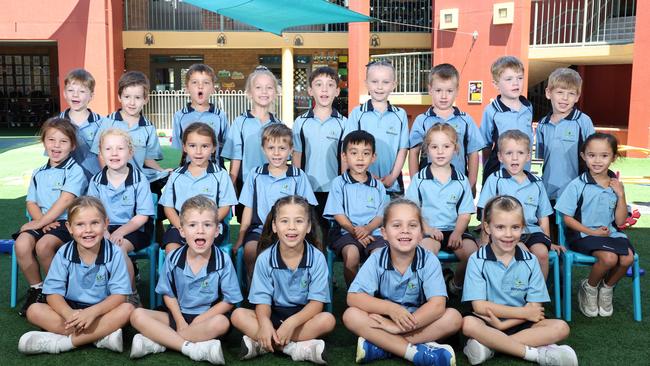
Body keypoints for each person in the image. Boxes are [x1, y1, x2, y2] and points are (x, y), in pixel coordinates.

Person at [343, 198, 460, 366]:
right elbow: (353, 297)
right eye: (396, 225)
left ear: (421, 233)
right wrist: (391, 309)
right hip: (384, 320)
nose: (405, 231)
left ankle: (383, 345)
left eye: (412, 226)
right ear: (384, 233)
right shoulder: (377, 258)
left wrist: (399, 328)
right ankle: (415, 353)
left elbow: (437, 305)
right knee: (351, 315)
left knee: (453, 318)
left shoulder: (429, 260)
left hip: (418, 321)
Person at [461, 195, 577, 366]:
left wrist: (505, 326)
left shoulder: (530, 261)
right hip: (487, 321)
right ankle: (535, 354)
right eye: (500, 227)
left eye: (515, 227)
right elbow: (480, 307)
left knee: (561, 327)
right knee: (468, 324)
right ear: (487, 227)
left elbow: (535, 309)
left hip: (521, 324)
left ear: (523, 228)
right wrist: (523, 313)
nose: (508, 234)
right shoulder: (477, 260)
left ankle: (491, 346)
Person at [129, 196, 242, 364]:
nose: (200, 230)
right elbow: (168, 293)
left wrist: (199, 320)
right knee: (136, 314)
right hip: (177, 316)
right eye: (192, 225)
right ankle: (190, 347)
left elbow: (229, 300)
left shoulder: (223, 260)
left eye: (207, 225)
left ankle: (159, 342)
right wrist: (180, 321)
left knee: (222, 323)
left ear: (217, 230)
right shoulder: (173, 258)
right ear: (182, 231)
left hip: (208, 319)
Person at [18, 196, 134, 355]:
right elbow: (52, 293)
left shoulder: (115, 253)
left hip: (102, 311)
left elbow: (120, 296)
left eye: (95, 223)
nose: (88, 230)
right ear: (69, 227)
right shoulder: (63, 253)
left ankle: (64, 343)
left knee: (127, 310)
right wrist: (69, 314)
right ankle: (99, 337)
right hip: (70, 311)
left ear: (106, 224)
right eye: (80, 224)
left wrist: (92, 312)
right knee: (34, 311)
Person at [231, 195, 335, 364]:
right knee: (238, 315)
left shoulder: (317, 258)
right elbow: (262, 301)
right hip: (272, 314)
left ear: (308, 226)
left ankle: (263, 344)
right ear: (274, 226)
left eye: (299, 221)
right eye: (284, 221)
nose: (291, 227)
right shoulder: (265, 259)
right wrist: (264, 324)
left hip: (302, 318)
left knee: (327, 321)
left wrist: (291, 323)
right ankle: (295, 348)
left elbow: (316, 304)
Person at [13, 117, 88, 316]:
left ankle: (58, 291)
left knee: (44, 245)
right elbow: (31, 202)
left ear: (72, 146)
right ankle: (38, 289)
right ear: (44, 142)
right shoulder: (38, 173)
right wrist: (39, 222)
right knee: (21, 244)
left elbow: (65, 202)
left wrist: (42, 223)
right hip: (43, 221)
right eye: (51, 140)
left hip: (66, 223)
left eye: (63, 141)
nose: (56, 146)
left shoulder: (75, 171)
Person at [555, 133, 634, 317]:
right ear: (583, 156)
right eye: (592, 155)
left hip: (610, 234)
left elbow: (621, 222)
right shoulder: (577, 185)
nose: (597, 161)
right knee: (609, 259)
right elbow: (567, 219)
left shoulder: (616, 185)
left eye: (604, 156)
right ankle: (589, 288)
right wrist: (592, 232)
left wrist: (621, 195)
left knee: (628, 259)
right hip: (583, 234)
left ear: (614, 157)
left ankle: (606, 288)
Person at [234, 124, 317, 281]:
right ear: (263, 149)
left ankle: (287, 289)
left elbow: (307, 210)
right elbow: (248, 208)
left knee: (292, 253)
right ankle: (255, 287)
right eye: (271, 148)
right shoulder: (255, 175)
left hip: (290, 229)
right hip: (259, 229)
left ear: (291, 149)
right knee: (250, 251)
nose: (277, 153)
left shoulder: (298, 176)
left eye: (282, 148)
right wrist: (241, 237)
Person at [405, 124, 477, 296]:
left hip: (454, 230)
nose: (440, 151)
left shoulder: (461, 181)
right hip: (427, 231)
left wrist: (458, 232)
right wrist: (428, 229)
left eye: (446, 146)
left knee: (473, 255)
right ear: (426, 150)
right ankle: (432, 293)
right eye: (434, 147)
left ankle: (455, 284)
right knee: (426, 254)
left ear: (455, 149)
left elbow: (464, 213)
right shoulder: (419, 179)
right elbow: (413, 210)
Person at [478, 130, 558, 279]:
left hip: (532, 231)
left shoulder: (536, 183)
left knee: (541, 254)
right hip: (504, 233)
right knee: (522, 252)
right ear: (500, 157)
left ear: (528, 157)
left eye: (520, 153)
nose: (515, 158)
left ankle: (536, 295)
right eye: (509, 153)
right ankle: (516, 292)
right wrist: (484, 238)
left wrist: (547, 241)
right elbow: (485, 211)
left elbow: (543, 217)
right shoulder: (495, 180)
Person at [87, 128, 155, 302]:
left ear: (130, 152)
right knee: (88, 245)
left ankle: (131, 294)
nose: (114, 153)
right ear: (101, 153)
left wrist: (119, 233)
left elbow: (142, 216)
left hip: (135, 228)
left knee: (117, 249)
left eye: (120, 148)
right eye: (108, 149)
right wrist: (105, 232)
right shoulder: (96, 181)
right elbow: (93, 213)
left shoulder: (139, 180)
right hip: (104, 227)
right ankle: (95, 295)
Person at [323, 130, 389, 287]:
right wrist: (356, 232)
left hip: (373, 233)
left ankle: (374, 295)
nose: (360, 158)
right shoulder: (339, 183)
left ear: (373, 157)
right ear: (344, 156)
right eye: (354, 153)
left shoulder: (378, 186)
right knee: (352, 255)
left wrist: (367, 229)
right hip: (346, 233)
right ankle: (354, 295)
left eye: (366, 153)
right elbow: (338, 214)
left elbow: (381, 216)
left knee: (379, 256)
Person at [160, 123, 237, 253]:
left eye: (205, 146)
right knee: (172, 249)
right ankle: (178, 273)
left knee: (201, 248)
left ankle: (207, 273)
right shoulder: (176, 176)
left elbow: (225, 206)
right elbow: (168, 207)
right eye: (192, 146)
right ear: (184, 147)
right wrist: (182, 227)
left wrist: (207, 224)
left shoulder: (221, 175)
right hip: (181, 226)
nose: (198, 151)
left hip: (210, 227)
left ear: (213, 148)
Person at [408, 63, 485, 193]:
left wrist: (471, 184)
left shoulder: (466, 120)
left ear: (457, 91)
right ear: (430, 90)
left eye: (449, 91)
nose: (444, 96)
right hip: (428, 186)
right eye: (438, 91)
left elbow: (473, 154)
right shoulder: (422, 120)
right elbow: (414, 153)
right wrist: (415, 183)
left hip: (458, 185)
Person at [292, 66, 346, 243]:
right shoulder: (300, 123)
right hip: (308, 189)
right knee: (310, 235)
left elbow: (346, 159)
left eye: (330, 85)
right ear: (310, 91)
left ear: (337, 91)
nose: (324, 89)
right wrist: (297, 186)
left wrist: (344, 186)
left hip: (334, 189)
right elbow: (297, 157)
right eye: (319, 84)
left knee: (330, 237)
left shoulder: (344, 123)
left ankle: (327, 269)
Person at [221, 66, 283, 221]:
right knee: (248, 227)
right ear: (249, 93)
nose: (264, 92)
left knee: (273, 224)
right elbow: (236, 156)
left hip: (273, 185)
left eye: (269, 88)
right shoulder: (240, 122)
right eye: (258, 87)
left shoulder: (279, 125)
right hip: (247, 186)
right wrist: (232, 183)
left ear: (275, 92)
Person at [91, 71, 170, 187]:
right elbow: (100, 154)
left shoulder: (148, 127)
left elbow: (148, 160)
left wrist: (162, 171)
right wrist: (108, 179)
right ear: (119, 97)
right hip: (113, 181)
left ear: (145, 99)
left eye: (137, 97)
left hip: (137, 184)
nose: (132, 103)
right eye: (127, 97)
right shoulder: (108, 122)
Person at [344, 60, 408, 195]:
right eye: (374, 81)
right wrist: (365, 175)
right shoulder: (357, 113)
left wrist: (392, 177)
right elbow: (348, 149)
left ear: (393, 85)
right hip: (362, 184)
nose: (380, 87)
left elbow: (402, 150)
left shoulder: (400, 115)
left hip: (392, 186)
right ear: (366, 83)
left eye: (385, 82)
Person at [536, 67, 595, 202]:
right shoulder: (542, 125)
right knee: (549, 223)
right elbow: (540, 159)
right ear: (548, 93)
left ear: (577, 97)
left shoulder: (583, 121)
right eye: (560, 92)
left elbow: (594, 155)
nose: (565, 98)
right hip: (548, 191)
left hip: (577, 192)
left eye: (571, 93)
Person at [480, 56, 534, 184]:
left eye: (519, 78)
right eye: (509, 79)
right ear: (496, 84)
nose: (516, 83)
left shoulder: (528, 107)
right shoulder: (492, 111)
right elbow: (486, 146)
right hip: (499, 173)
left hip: (523, 173)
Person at [171, 63, 229, 167]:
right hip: (188, 174)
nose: (200, 86)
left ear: (212, 89)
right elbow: (177, 149)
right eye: (195, 82)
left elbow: (227, 147)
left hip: (215, 173)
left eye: (206, 82)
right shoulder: (179, 116)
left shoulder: (220, 116)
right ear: (187, 88)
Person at [58, 68, 102, 179]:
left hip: (94, 181)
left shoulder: (101, 123)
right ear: (64, 94)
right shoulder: (56, 123)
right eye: (71, 90)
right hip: (66, 182)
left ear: (91, 96)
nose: (75, 95)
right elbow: (53, 156)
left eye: (82, 91)